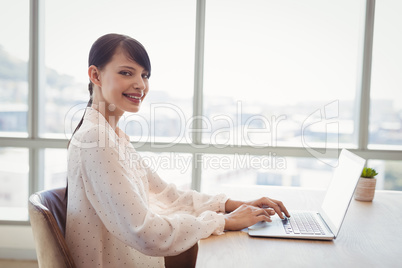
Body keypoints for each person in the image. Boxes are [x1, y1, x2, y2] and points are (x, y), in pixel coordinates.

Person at [66, 33, 290, 268]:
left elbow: (166, 194)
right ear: (95, 75)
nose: (141, 84)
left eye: (145, 75)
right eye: (126, 72)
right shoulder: (95, 139)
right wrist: (222, 222)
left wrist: (231, 205)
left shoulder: (113, 137)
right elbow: (145, 231)